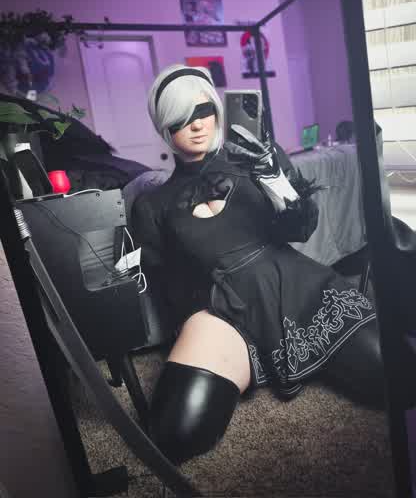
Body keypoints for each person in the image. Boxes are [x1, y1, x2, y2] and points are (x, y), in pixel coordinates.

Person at [131, 64, 385, 465]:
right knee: (174, 435)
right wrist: (195, 324)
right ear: (163, 126)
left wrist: (273, 176)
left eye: (203, 111)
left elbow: (301, 228)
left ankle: (322, 355)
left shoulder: (258, 160)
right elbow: (165, 284)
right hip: (223, 312)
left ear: (218, 110)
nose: (196, 125)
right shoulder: (152, 204)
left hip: (296, 285)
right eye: (180, 118)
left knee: (397, 376)